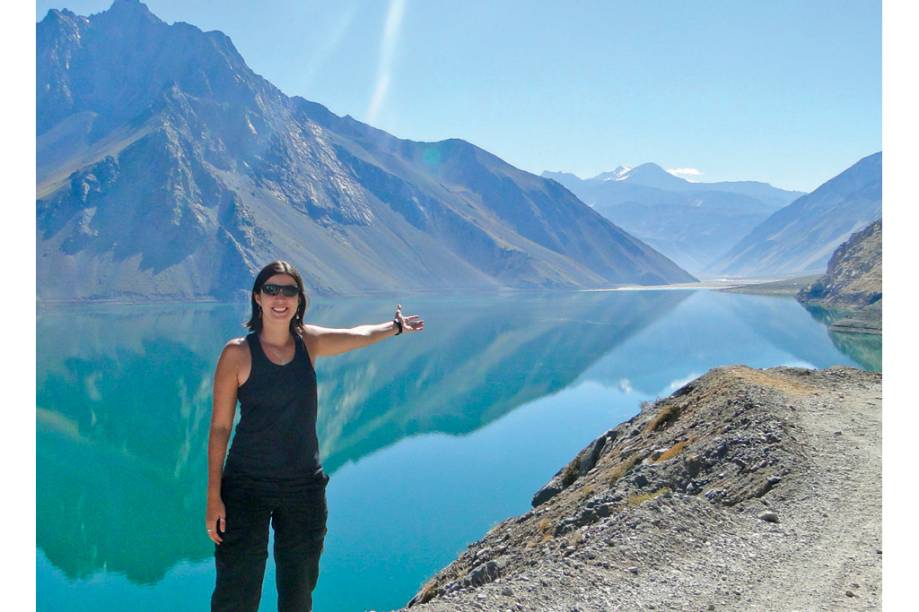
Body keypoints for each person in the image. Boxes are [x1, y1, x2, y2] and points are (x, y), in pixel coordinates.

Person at [206, 260, 424, 611]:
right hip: (245, 486)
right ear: (257, 297)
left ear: (299, 299)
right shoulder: (237, 353)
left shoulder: (309, 342)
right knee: (236, 593)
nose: (280, 298)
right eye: (271, 290)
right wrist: (213, 496)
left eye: (289, 291)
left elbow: (358, 335)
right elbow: (220, 428)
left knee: (298, 593)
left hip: (303, 488)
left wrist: (395, 327)